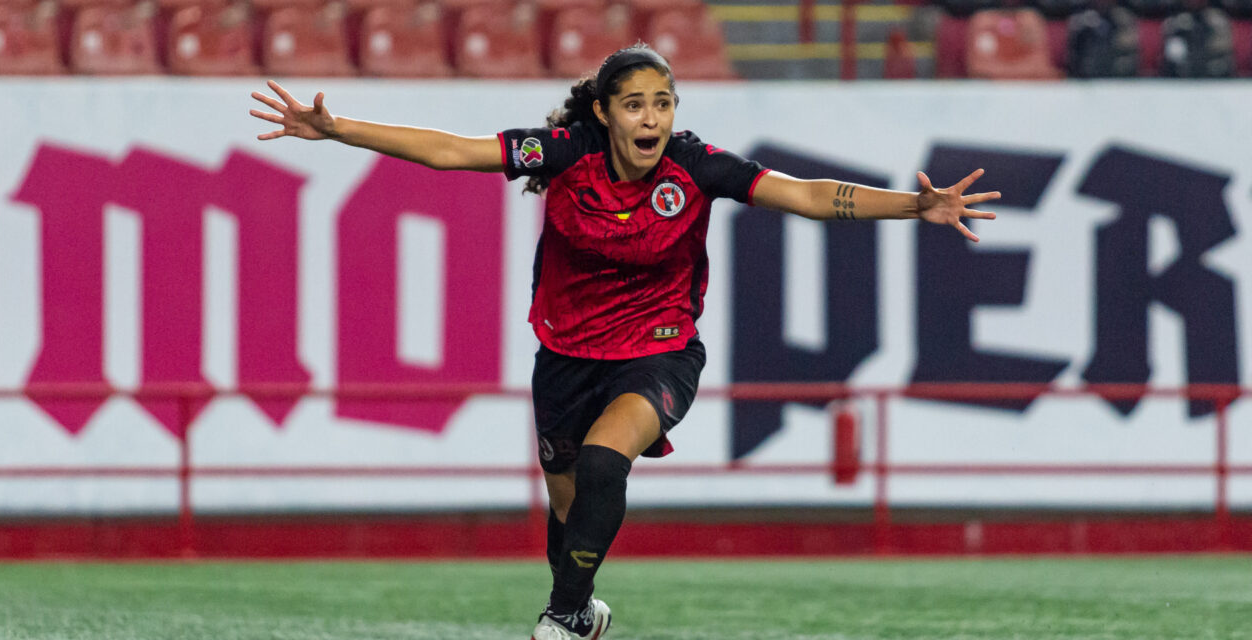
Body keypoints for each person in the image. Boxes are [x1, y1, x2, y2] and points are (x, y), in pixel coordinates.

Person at [249, 44, 1000, 640]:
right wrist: (334, 127)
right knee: (570, 508)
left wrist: (916, 206)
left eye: (663, 104)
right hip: (567, 359)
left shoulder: (697, 167)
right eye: (636, 104)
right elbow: (451, 152)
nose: (652, 118)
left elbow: (804, 195)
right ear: (605, 113)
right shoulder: (564, 153)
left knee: (608, 460)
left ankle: (560, 620)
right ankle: (579, 610)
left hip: (660, 349)